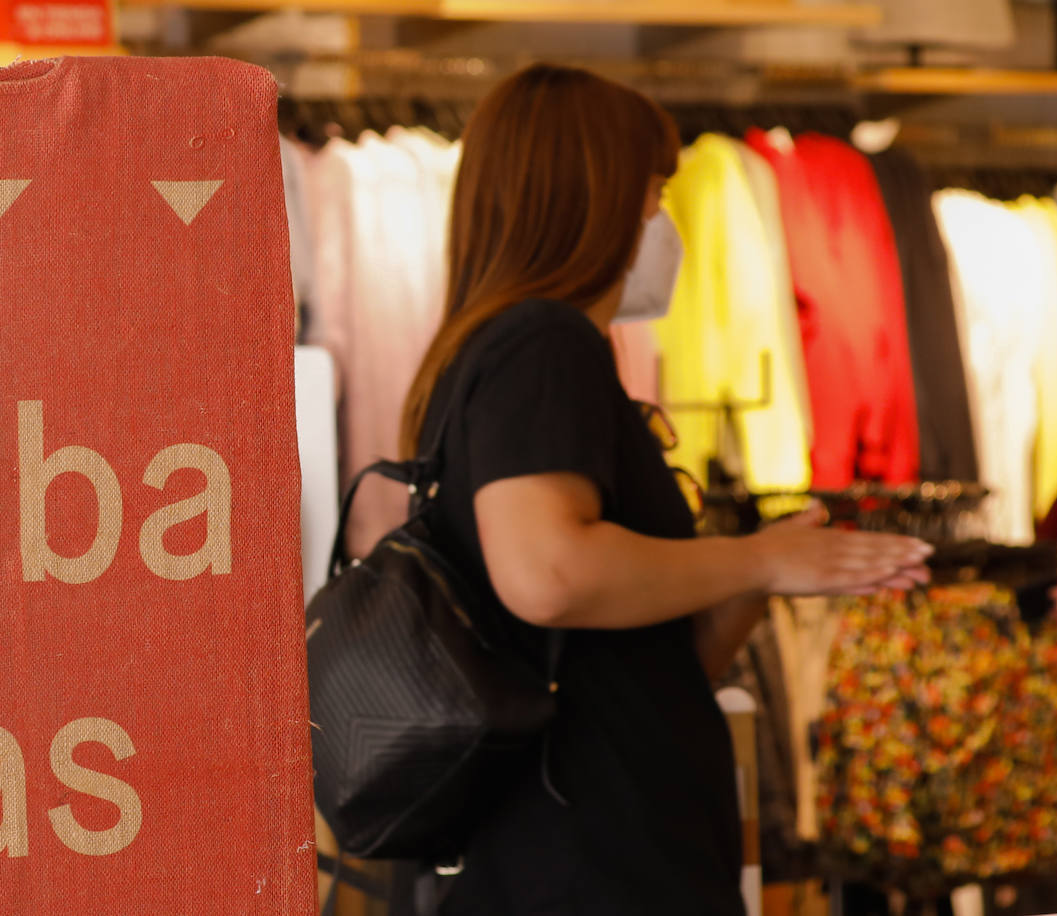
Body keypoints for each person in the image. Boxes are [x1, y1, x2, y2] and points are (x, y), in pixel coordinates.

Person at [396, 64, 933, 915]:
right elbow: (550, 574)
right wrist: (755, 558)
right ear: (595, 197)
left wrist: (770, 572)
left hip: (593, 843)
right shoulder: (543, 345)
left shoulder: (502, 352)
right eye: (653, 192)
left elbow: (635, 668)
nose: (663, 220)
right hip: (591, 861)